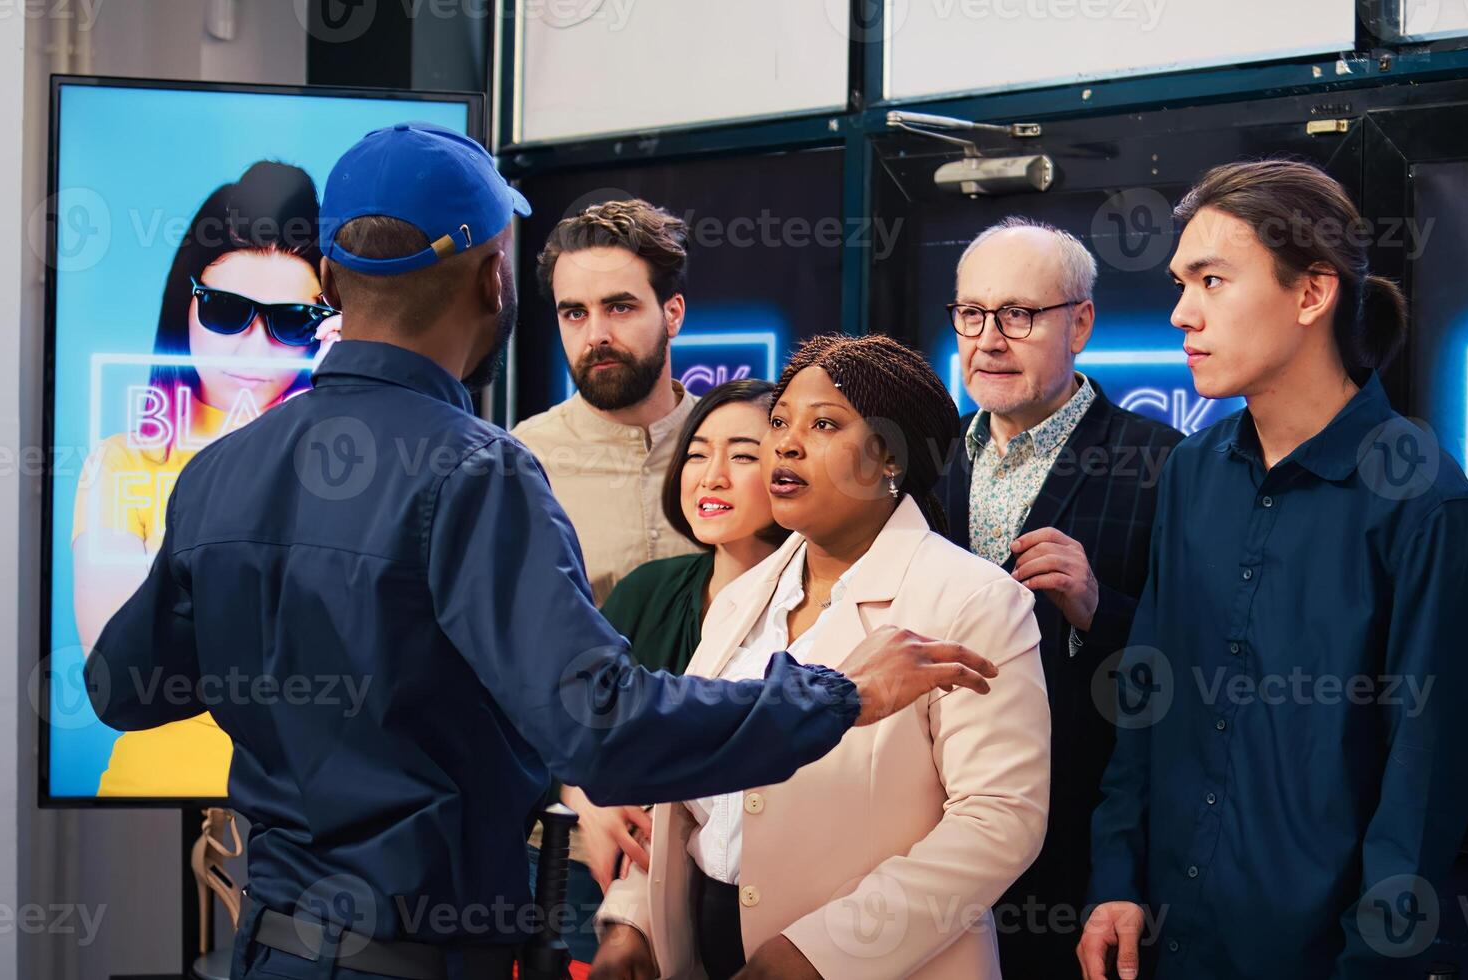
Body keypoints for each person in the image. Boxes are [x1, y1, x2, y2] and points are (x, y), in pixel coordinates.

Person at [84, 122, 1002, 980]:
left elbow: (123, 689)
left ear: (329, 276)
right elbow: (599, 728)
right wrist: (841, 693)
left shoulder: (223, 471)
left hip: (269, 948)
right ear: (496, 280)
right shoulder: (476, 472)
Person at [1078, 160, 1468, 979]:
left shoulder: (1423, 506)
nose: (1181, 312)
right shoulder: (1194, 473)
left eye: (1211, 280)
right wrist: (1116, 880)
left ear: (1312, 294)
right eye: (1180, 282)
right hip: (1164, 942)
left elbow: (1422, 790)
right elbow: (1148, 697)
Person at [593, 334, 1052, 980]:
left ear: (889, 454)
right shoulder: (742, 597)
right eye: (780, 421)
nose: (785, 442)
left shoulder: (973, 600)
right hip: (705, 950)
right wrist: (632, 921)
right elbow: (689, 791)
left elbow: (1000, 822)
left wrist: (819, 954)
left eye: (824, 423)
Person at [933, 217, 1183, 975]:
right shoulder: (929, 460)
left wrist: (1097, 609)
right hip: (934, 839)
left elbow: (1203, 668)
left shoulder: (1163, 463)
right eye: (972, 314)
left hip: (1081, 846)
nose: (989, 339)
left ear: (1081, 323)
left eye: (1018, 315)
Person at [72, 160, 340, 798]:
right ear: (183, 304)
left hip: (314, 818)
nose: (252, 350)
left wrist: (339, 404)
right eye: (225, 311)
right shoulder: (124, 463)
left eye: (292, 321)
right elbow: (125, 676)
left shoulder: (347, 461)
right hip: (153, 796)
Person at [550, 379, 791, 961]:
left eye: (742, 455)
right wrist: (583, 794)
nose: (711, 476)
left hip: (764, 912)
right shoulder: (645, 592)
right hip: (615, 897)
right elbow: (564, 726)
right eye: (697, 453)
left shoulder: (816, 609)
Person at [513, 199, 701, 605]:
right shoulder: (524, 461)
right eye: (575, 314)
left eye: (619, 307)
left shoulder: (738, 442)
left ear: (673, 314)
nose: (596, 335)